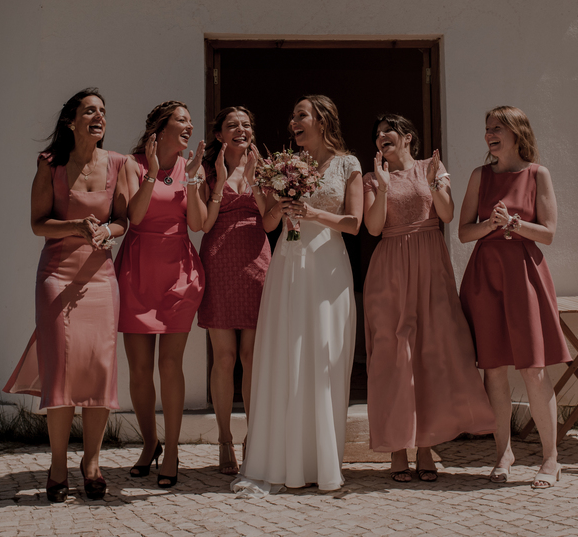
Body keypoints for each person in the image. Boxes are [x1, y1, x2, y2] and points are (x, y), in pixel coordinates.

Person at [4, 88, 130, 502]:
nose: (99, 117)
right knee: (59, 370)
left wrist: (106, 231)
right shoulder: (50, 164)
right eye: (90, 110)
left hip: (101, 279)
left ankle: (91, 463)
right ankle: (58, 463)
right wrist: (75, 227)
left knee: (98, 368)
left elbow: (122, 220)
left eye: (103, 111)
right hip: (57, 275)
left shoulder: (118, 163)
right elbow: (38, 224)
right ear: (71, 121)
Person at [233, 95, 362, 494]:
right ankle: (281, 460)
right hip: (288, 263)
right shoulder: (288, 166)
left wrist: (312, 213)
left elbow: (354, 223)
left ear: (322, 120)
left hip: (327, 267)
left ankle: (320, 463)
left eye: (301, 115)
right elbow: (270, 222)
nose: (293, 122)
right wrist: (265, 190)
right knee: (286, 355)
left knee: (323, 357)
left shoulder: (348, 164)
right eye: (292, 116)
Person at [362, 114, 495, 483]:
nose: (381, 137)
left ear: (407, 137)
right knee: (393, 356)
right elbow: (373, 227)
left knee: (431, 354)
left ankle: (425, 447)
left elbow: (447, 214)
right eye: (377, 134)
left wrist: (436, 181)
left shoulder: (431, 168)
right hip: (390, 267)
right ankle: (396, 448)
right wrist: (383, 188)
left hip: (430, 264)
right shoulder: (371, 177)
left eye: (387, 131)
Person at [458, 105, 571, 488]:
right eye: (487, 128)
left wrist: (515, 224)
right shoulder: (479, 176)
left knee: (534, 369)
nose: (489, 134)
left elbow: (549, 233)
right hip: (486, 276)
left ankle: (551, 459)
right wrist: (490, 224)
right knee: (493, 368)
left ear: (517, 132)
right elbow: (464, 232)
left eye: (497, 128)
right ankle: (503, 453)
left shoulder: (538, 174)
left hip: (525, 276)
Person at [115, 100, 205, 488]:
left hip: (179, 272)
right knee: (139, 369)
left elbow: (197, 224)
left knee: (170, 365)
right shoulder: (131, 165)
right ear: (161, 129)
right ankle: (150, 442)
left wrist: (196, 181)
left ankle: (171, 450)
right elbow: (133, 216)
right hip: (137, 270)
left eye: (190, 121)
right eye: (182, 120)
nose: (189, 126)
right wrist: (152, 172)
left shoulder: (191, 167)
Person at [194, 106, 281, 475]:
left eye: (246, 124)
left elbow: (271, 221)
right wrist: (219, 181)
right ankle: (225, 439)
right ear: (220, 134)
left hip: (256, 260)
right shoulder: (206, 170)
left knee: (251, 355)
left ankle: (253, 437)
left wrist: (258, 181)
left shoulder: (267, 169)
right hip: (219, 260)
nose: (241, 129)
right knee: (225, 357)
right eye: (233, 125)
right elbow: (204, 224)